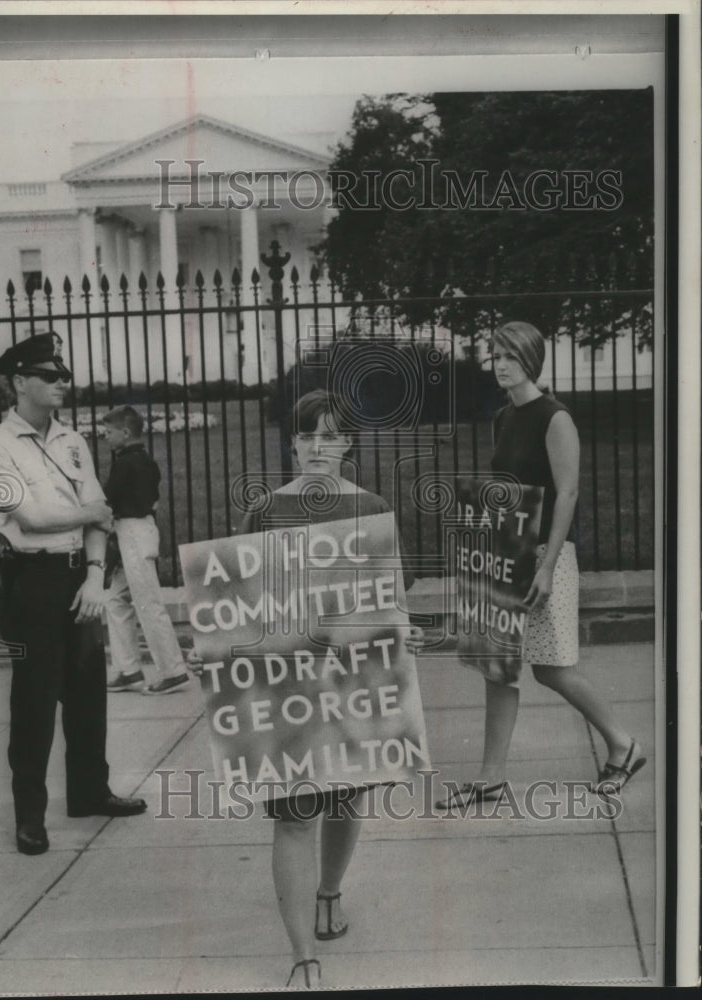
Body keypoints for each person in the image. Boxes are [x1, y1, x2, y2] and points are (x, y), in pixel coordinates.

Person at [189, 390, 414, 989]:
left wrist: (399, 635)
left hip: (350, 676)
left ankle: (330, 891)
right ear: (292, 443)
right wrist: (212, 647)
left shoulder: (369, 508)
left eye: (331, 435)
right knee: (293, 816)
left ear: (347, 445)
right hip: (286, 679)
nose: (319, 446)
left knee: (347, 796)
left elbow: (389, 593)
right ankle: (302, 956)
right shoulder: (266, 512)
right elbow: (232, 599)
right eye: (308, 435)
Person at [412, 321, 645, 808]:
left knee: (552, 667)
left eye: (510, 357)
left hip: (545, 558)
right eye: (495, 356)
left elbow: (568, 493)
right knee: (498, 666)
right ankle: (490, 777)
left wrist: (546, 565)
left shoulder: (554, 417)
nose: (500, 364)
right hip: (506, 551)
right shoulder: (504, 417)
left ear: (531, 361)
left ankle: (624, 744)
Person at [0, 333, 147, 857]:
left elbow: (100, 513)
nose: (61, 384)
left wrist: (95, 576)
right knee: (34, 700)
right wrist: (91, 515)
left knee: (88, 693)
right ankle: (30, 817)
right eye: (49, 376)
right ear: (19, 382)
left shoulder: (73, 441)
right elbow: (32, 517)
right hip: (32, 582)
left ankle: (90, 792)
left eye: (63, 375)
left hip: (79, 577)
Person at [101, 405, 190, 695]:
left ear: (125, 433)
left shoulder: (126, 463)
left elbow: (108, 499)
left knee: (147, 602)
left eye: (109, 432)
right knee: (116, 598)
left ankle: (173, 671)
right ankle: (128, 669)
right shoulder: (144, 461)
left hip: (132, 533)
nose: (106, 437)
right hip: (142, 530)